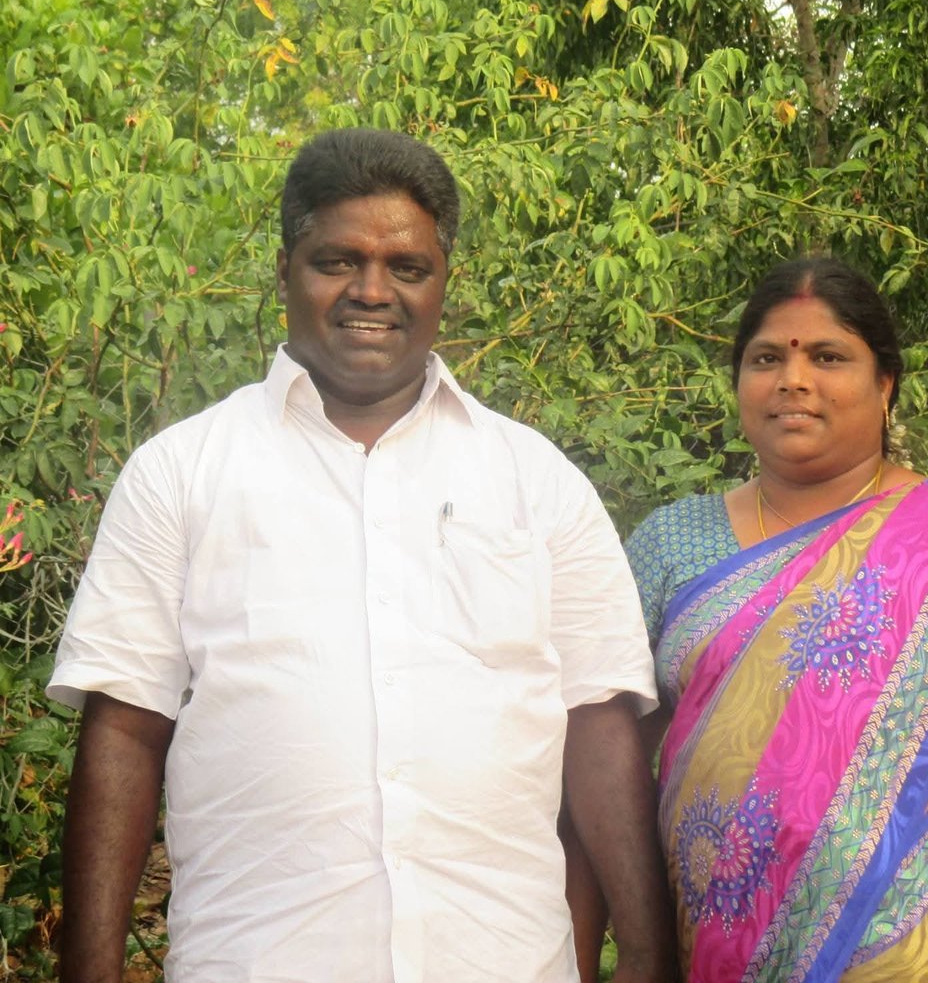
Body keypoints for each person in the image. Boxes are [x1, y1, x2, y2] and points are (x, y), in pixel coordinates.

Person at [48, 128, 675, 983]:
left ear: (443, 282)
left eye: (407, 267)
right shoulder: (182, 472)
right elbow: (123, 726)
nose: (371, 291)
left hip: (502, 961)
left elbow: (599, 730)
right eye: (338, 260)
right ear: (284, 273)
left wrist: (647, 956)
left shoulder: (537, 480)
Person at [625, 257, 928, 981]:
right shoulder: (670, 545)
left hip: (926, 956)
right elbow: (611, 763)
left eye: (828, 356)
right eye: (767, 358)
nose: (793, 380)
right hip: (717, 953)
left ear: (885, 384)